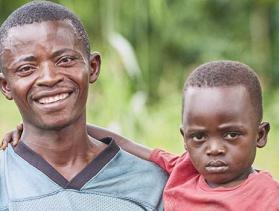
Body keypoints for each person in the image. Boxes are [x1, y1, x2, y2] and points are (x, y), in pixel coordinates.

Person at [4, 61, 279, 210]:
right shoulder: (182, 169)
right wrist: (38, 131)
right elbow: (126, 144)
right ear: (184, 138)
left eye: (231, 135)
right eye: (199, 138)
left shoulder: (267, 195)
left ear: (260, 135)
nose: (214, 149)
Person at [0, 1, 167, 211]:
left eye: (65, 60)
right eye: (26, 68)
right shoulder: (4, 179)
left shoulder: (153, 184)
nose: (49, 78)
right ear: (6, 86)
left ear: (93, 67)